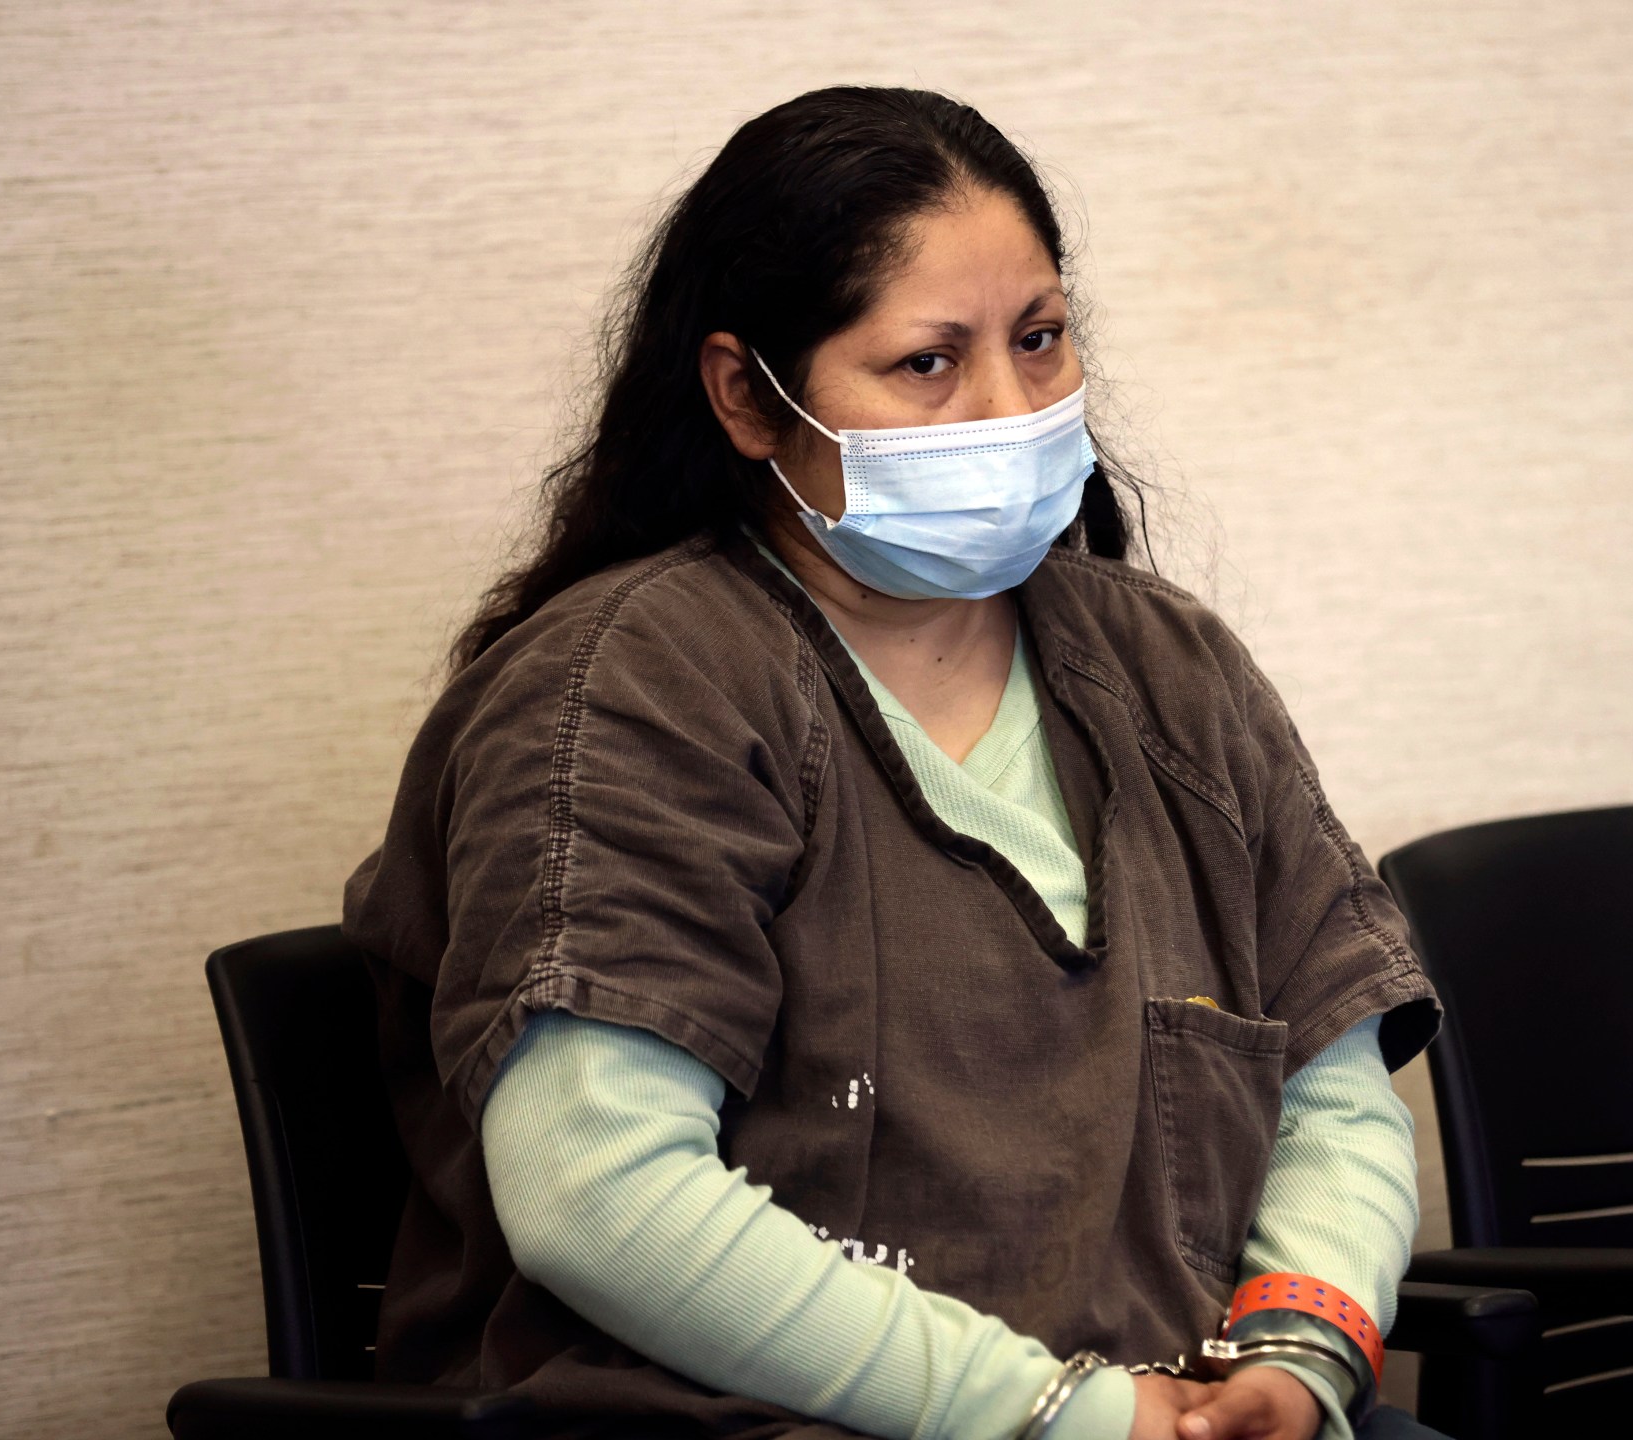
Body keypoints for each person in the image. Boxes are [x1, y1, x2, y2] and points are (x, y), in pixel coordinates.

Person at [344, 87, 1443, 1440]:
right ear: (747, 396)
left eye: (1040, 341)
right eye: (930, 362)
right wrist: (1060, 1416)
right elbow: (597, 1189)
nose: (1012, 407)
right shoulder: (632, 691)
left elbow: (1330, 1086)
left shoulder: (1173, 671)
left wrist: (1299, 1355)